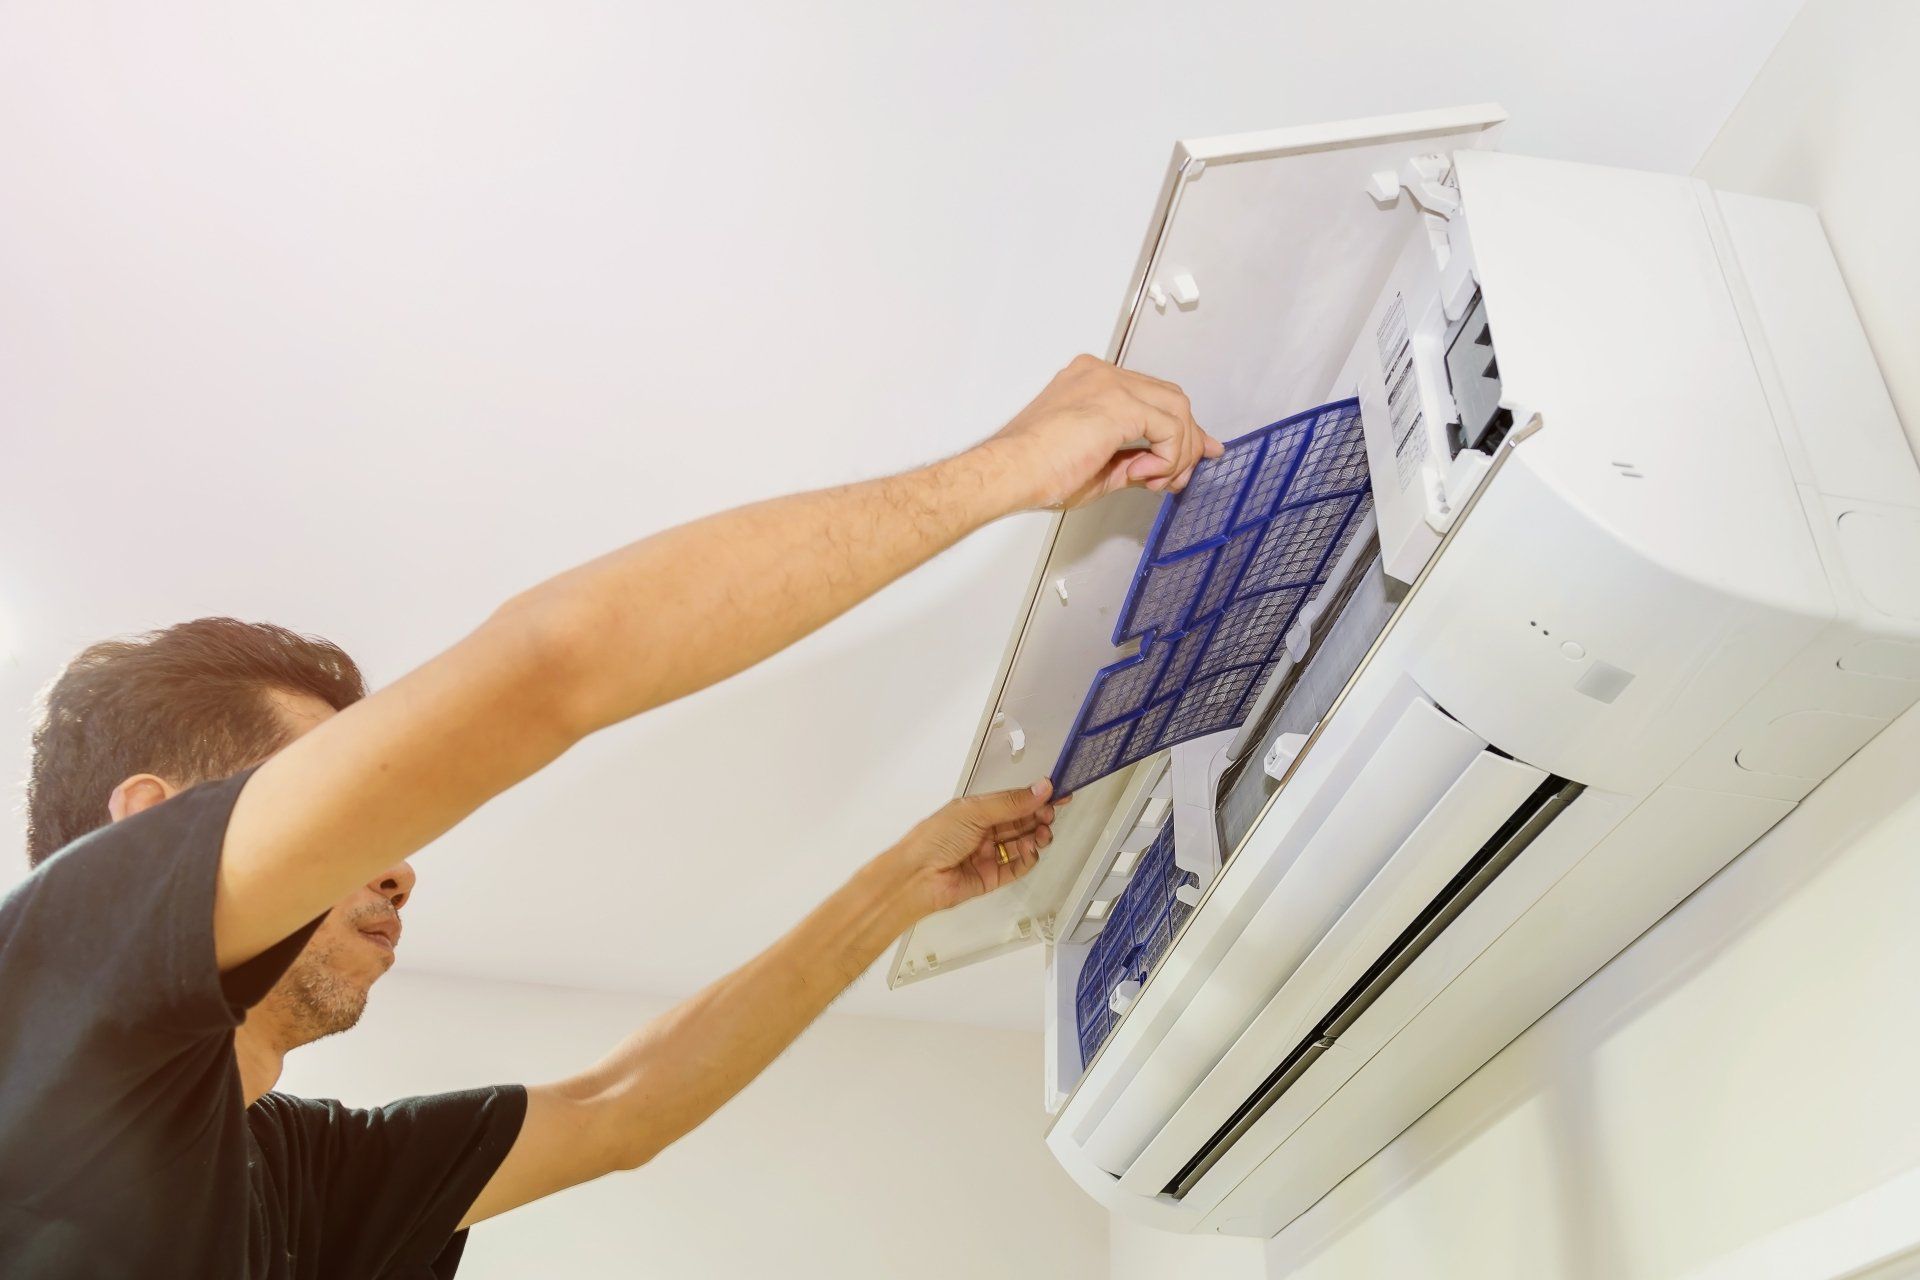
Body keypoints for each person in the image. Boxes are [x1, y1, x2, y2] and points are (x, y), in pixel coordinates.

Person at [0, 356, 1219, 1279]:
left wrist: (898, 885)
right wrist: (1011, 462)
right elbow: (553, 671)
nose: (400, 867)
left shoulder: (292, 1176)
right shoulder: (48, 992)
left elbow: (617, 1109)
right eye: (325, 807)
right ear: (144, 827)